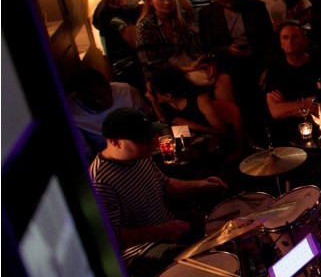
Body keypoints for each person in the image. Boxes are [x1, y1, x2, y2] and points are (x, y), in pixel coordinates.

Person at [89, 107, 227, 252]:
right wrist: (163, 230)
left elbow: (165, 184)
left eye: (152, 136)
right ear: (115, 142)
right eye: (144, 140)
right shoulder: (100, 182)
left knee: (226, 223)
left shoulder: (141, 156)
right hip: (145, 248)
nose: (154, 143)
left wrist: (201, 185)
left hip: (170, 225)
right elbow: (112, 237)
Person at [198, 0, 275, 145]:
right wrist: (227, 49)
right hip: (228, 62)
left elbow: (268, 41)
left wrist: (267, 67)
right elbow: (207, 45)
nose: (229, 4)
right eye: (223, 1)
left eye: (231, 0)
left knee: (261, 91)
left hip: (256, 59)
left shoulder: (255, 7)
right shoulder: (207, 13)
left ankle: (267, 137)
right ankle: (244, 139)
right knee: (236, 91)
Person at [136, 0, 234, 105]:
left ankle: (228, 115)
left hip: (188, 63)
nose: (167, 2)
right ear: (150, 1)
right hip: (165, 72)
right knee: (203, 84)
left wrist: (207, 62)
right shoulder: (145, 26)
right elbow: (150, 62)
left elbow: (194, 48)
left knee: (223, 78)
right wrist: (187, 69)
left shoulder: (178, 21)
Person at [148, 67, 244, 159]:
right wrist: (153, 102)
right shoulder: (166, 104)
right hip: (193, 149)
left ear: (167, 96)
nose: (147, 95)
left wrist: (193, 125)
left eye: (151, 92)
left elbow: (222, 132)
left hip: (216, 146)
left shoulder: (200, 99)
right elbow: (165, 124)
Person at [264, 21, 321, 143]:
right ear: (280, 43)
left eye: (295, 37)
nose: (290, 41)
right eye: (285, 37)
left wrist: (287, 105)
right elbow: (276, 111)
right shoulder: (274, 72)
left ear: (305, 40)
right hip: (286, 133)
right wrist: (311, 103)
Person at [68, 67, 153, 161]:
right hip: (110, 161)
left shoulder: (126, 91)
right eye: (100, 98)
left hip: (144, 148)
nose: (109, 98)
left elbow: (149, 117)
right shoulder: (72, 115)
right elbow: (86, 155)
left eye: (109, 91)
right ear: (82, 98)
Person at [92, 0, 146, 90]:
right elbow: (139, 45)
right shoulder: (114, 18)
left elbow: (152, 2)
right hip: (131, 70)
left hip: (139, 64)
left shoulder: (128, 10)